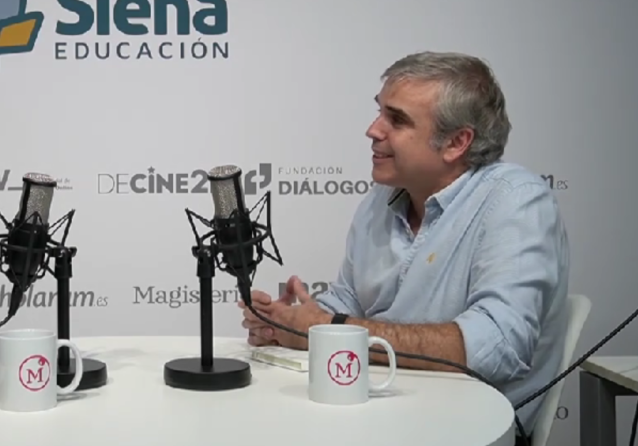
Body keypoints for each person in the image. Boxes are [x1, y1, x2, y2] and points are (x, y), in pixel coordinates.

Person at [241, 51, 569, 445]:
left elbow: (497, 347)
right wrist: (287, 323)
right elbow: (348, 304)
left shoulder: (515, 200)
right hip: (380, 418)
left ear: (456, 142)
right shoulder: (381, 200)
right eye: (379, 111)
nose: (372, 130)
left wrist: (328, 330)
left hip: (470, 432)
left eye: (396, 120)